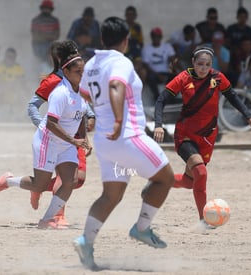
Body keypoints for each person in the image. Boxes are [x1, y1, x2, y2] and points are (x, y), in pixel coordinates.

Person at [73, 17, 174, 270]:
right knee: (166, 178)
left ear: (102, 39)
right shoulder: (121, 61)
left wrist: (101, 113)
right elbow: (116, 85)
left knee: (111, 195)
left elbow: (84, 92)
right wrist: (118, 119)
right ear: (126, 40)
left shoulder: (93, 63)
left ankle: (86, 241)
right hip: (126, 136)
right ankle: (141, 228)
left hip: (106, 143)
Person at [153, 46, 251, 230]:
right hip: (185, 135)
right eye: (200, 64)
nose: (203, 68)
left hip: (208, 136)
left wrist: (249, 116)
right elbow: (160, 100)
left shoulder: (217, 78)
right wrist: (158, 124)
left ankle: (160, 181)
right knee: (201, 172)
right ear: (193, 63)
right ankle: (204, 220)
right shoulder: (183, 78)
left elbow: (233, 96)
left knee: (190, 181)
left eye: (207, 65)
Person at [0, 41, 90, 230]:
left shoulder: (81, 89)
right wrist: (43, 127)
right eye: (79, 71)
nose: (83, 75)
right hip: (50, 139)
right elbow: (41, 113)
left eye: (84, 71)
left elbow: (82, 114)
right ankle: (9, 181)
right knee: (40, 184)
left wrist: (84, 139)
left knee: (73, 180)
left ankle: (49, 218)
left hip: (68, 141)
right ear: (66, 69)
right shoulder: (57, 89)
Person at [27, 40, 95, 228]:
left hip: (74, 135)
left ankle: (38, 187)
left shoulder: (79, 78)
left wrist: (90, 117)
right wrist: (43, 125)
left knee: (77, 180)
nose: (78, 57)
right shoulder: (54, 82)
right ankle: (56, 215)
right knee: (66, 178)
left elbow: (84, 106)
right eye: (74, 53)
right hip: (56, 135)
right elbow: (33, 106)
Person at [141, 27, 176, 101]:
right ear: (151, 37)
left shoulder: (167, 46)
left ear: (161, 37)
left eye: (158, 36)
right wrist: (158, 75)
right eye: (154, 36)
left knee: (177, 78)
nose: (156, 38)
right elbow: (146, 66)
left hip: (166, 72)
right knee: (150, 78)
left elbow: (173, 59)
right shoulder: (146, 48)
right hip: (153, 73)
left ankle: (171, 99)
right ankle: (157, 98)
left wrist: (175, 69)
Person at [30, 0, 60, 65]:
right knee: (38, 63)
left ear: (51, 9)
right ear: (42, 8)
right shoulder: (36, 20)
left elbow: (57, 35)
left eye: (48, 8)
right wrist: (49, 37)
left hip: (50, 46)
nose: (46, 10)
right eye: (45, 8)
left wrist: (43, 36)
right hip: (38, 46)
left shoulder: (55, 20)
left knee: (50, 63)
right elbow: (35, 36)